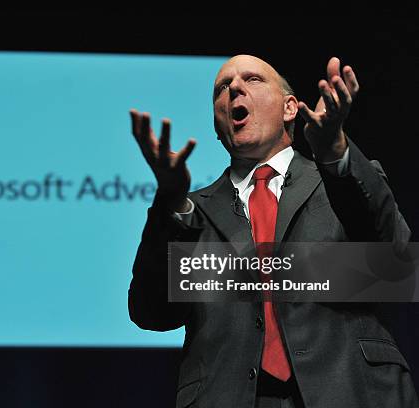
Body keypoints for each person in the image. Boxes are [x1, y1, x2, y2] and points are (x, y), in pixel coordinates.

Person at [128, 55, 419, 408]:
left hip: (351, 390)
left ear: (290, 108)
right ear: (217, 125)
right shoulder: (191, 213)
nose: (234, 88)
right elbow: (151, 312)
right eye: (222, 88)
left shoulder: (339, 182)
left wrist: (336, 151)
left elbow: (396, 264)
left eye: (252, 79)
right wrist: (171, 203)